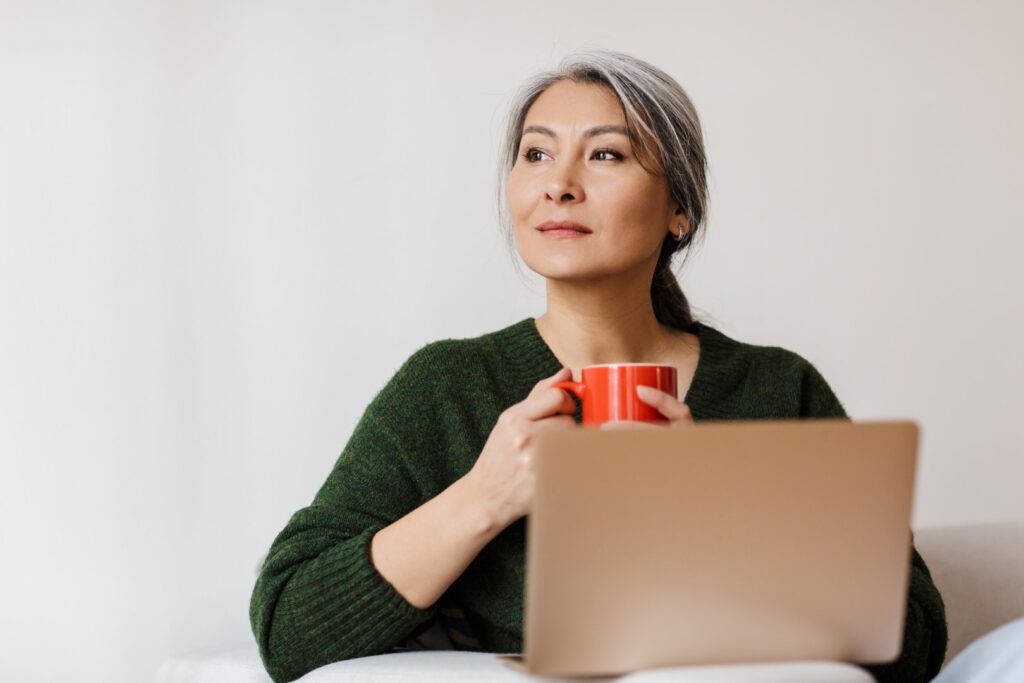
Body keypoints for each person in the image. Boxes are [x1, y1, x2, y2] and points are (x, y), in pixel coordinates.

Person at [249, 49, 949, 683]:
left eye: (606, 155)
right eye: (535, 154)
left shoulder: (778, 387)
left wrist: (715, 508)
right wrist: (487, 494)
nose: (558, 184)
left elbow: (913, 643)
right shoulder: (447, 388)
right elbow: (288, 629)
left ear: (679, 207)